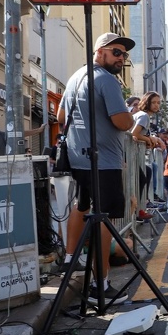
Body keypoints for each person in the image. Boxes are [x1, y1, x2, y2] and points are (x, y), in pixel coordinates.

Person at [57, 32, 136, 305]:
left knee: (81, 206)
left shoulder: (75, 77)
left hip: (78, 158)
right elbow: (122, 122)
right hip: (103, 161)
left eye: (124, 55)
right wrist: (129, 115)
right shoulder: (107, 81)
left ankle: (70, 260)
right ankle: (99, 286)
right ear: (100, 51)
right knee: (104, 219)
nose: (121, 59)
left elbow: (60, 117)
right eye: (116, 52)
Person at [130, 91, 166, 221]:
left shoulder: (142, 115)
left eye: (158, 102)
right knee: (141, 177)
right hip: (129, 154)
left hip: (132, 154)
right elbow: (134, 134)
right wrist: (148, 139)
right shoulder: (144, 116)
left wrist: (148, 140)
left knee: (146, 173)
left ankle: (139, 208)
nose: (156, 105)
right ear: (147, 103)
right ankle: (138, 210)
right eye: (153, 102)